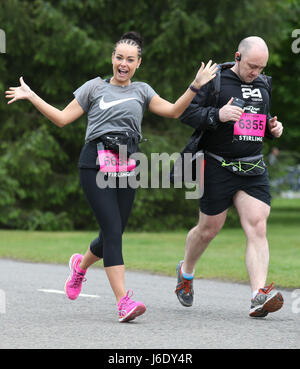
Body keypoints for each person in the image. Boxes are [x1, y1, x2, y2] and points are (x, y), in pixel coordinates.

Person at [6, 31, 218, 322]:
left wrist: (194, 86)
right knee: (114, 233)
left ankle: (80, 266)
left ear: (138, 63)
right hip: (95, 164)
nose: (124, 63)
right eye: (119, 57)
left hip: (128, 165)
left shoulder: (142, 91)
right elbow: (62, 119)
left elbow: (172, 111)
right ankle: (123, 302)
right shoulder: (94, 88)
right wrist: (32, 96)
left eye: (130, 59)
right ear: (112, 59)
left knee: (110, 234)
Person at [174, 36, 284, 318]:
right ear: (237, 56)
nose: (255, 73)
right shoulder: (215, 80)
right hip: (217, 165)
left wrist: (272, 128)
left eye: (261, 68)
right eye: (251, 66)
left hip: (252, 167)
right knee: (209, 229)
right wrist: (217, 114)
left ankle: (258, 295)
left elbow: (259, 120)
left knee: (258, 226)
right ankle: (186, 272)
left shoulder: (263, 83)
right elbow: (185, 112)